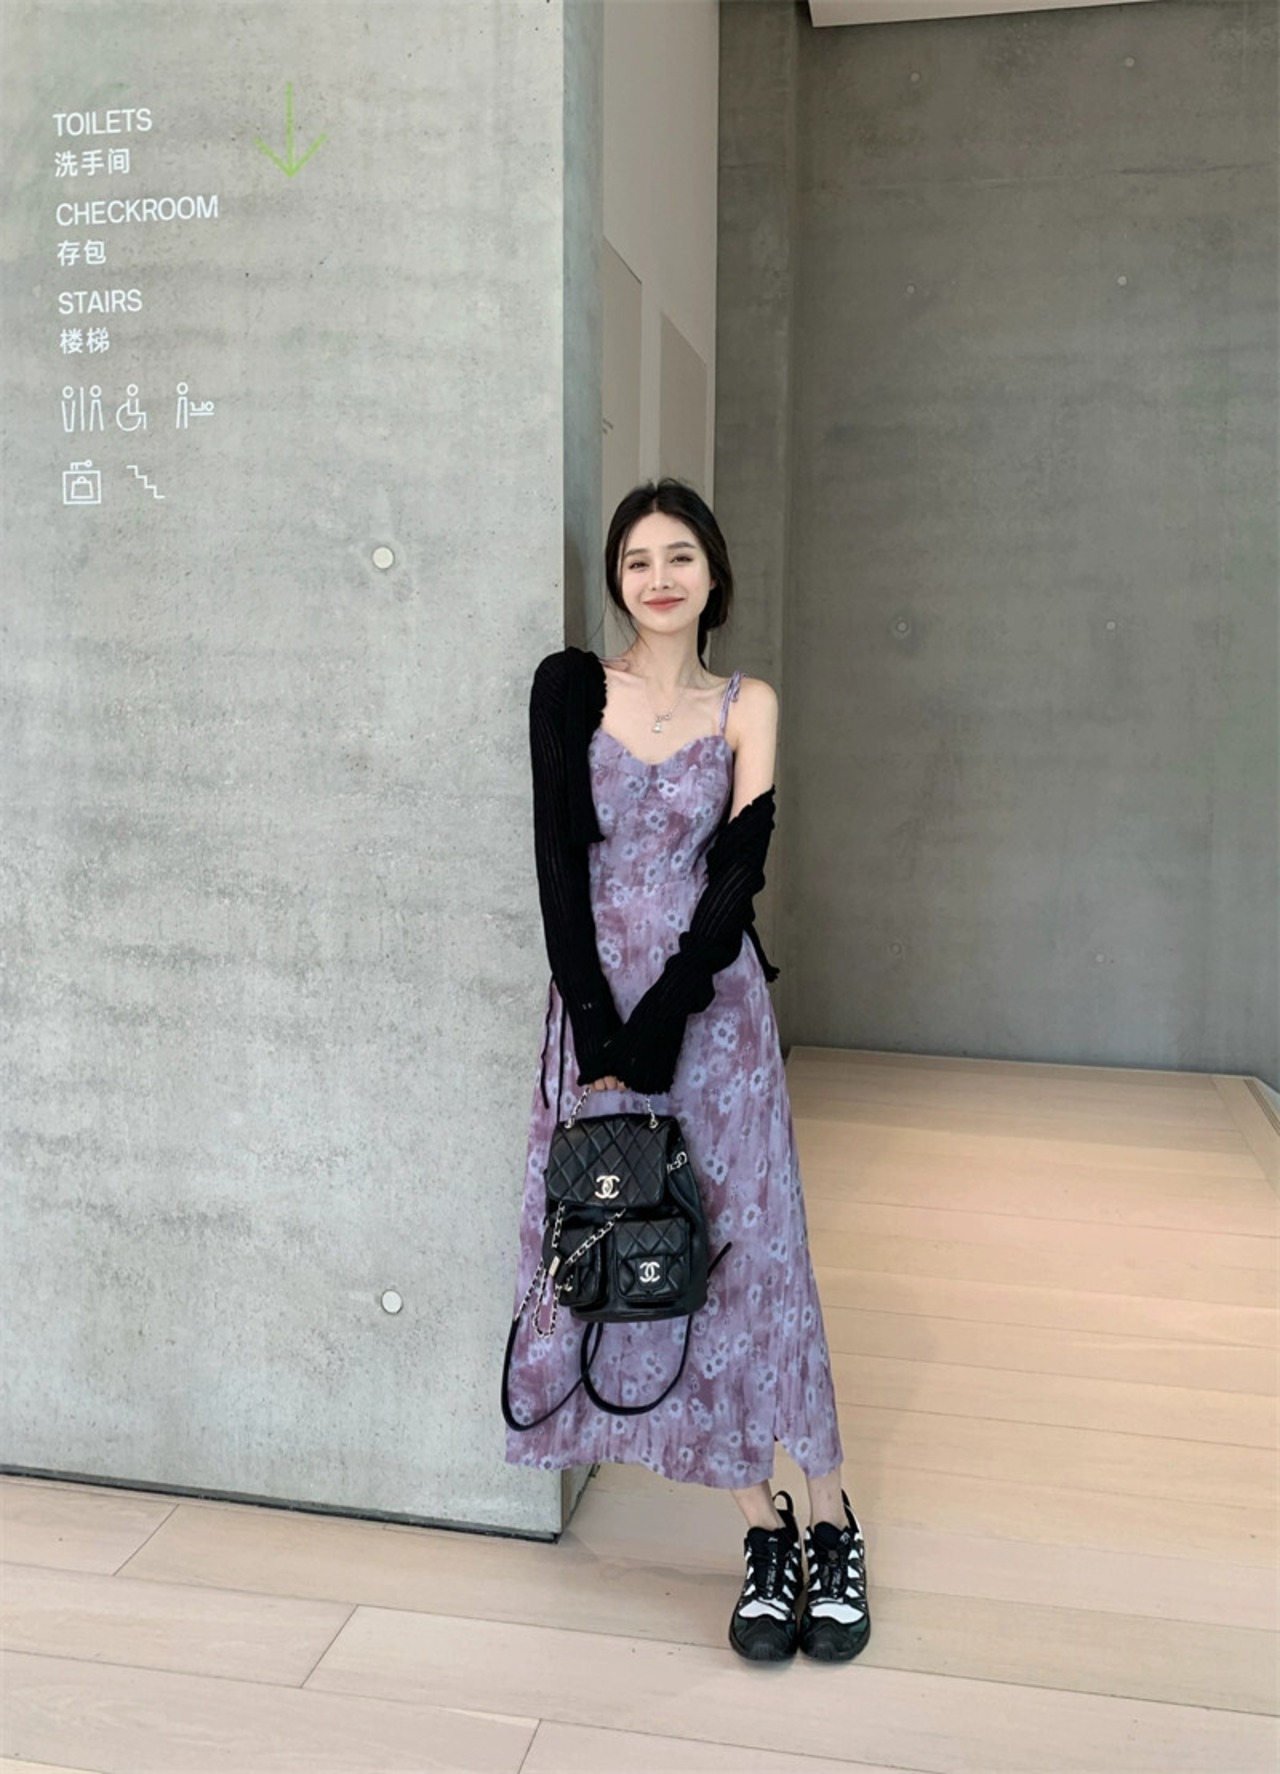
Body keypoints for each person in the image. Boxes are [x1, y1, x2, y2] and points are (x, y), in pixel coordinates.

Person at [505, 478, 870, 1665]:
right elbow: (557, 869)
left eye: (678, 556)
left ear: (713, 572)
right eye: (635, 559)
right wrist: (601, 1033)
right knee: (644, 1258)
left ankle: (829, 1518)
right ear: (616, 579)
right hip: (594, 1017)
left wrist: (663, 1015)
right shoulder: (569, 689)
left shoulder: (744, 702)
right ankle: (760, 1529)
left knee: (752, 1259)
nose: (656, 577)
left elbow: (737, 869)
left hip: (711, 1019)